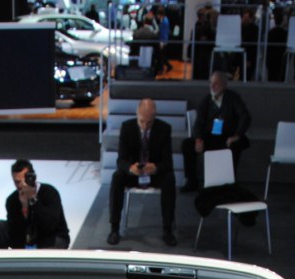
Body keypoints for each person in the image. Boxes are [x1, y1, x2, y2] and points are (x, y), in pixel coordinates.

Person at [108, 97, 177, 246]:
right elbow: (120, 160)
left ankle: (168, 229)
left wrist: (156, 167)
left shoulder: (164, 129)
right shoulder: (127, 127)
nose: (145, 126)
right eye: (142, 122)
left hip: (153, 174)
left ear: (154, 117)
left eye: (149, 122)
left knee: (169, 179)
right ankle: (114, 228)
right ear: (137, 114)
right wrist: (130, 168)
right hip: (134, 174)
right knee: (117, 177)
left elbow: (168, 163)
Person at [181, 69, 251, 191]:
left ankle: (230, 182)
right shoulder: (206, 100)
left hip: (228, 137)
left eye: (216, 84)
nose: (212, 86)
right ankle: (191, 181)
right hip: (210, 136)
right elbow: (199, 122)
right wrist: (198, 139)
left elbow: (245, 116)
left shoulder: (233, 98)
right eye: (211, 83)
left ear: (224, 85)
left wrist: (237, 135)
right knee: (187, 144)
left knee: (235, 146)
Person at [0, 159, 70, 249]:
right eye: (17, 182)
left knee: (50, 240)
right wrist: (24, 207)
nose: (21, 185)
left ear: (32, 177)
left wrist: (33, 199)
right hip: (26, 239)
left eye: (24, 181)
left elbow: (50, 225)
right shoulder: (12, 200)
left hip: (51, 237)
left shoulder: (49, 192)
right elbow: (15, 234)